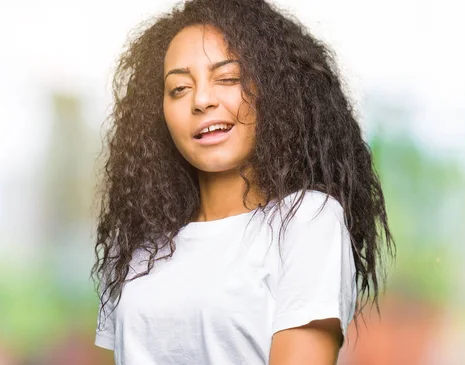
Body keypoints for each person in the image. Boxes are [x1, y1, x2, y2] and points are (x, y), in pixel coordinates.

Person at [90, 0, 396, 364]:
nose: (202, 100)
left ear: (275, 91)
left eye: (228, 78)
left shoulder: (306, 222)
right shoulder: (138, 244)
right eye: (179, 88)